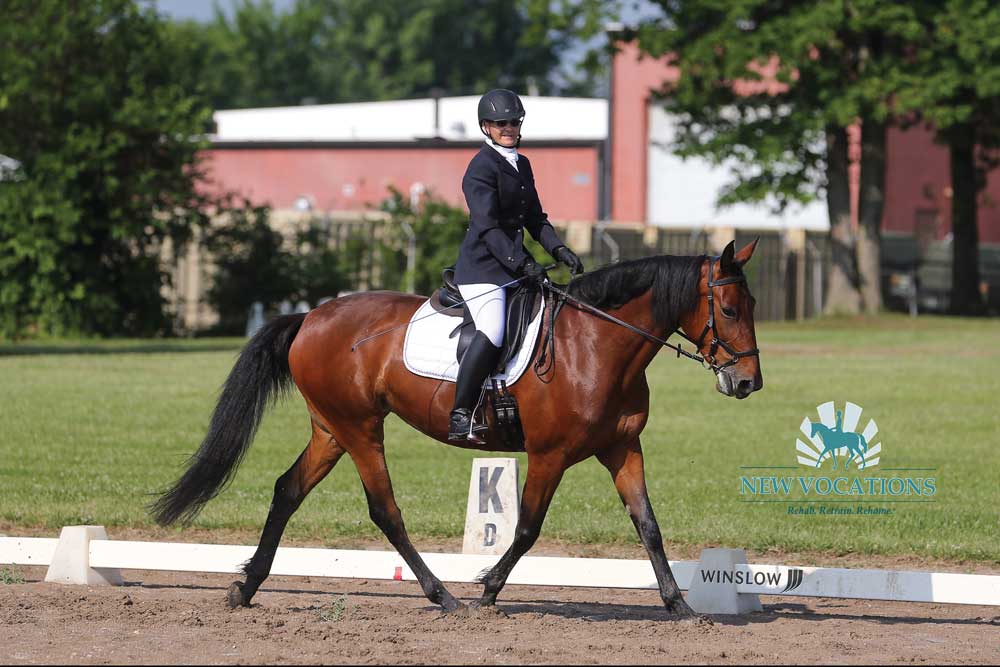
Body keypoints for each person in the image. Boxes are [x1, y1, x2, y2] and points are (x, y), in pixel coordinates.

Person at [448, 88, 584, 443]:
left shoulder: (521, 164)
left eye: (514, 121)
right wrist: (523, 263)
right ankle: (461, 413)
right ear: (486, 127)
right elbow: (488, 227)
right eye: (500, 123)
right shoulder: (480, 168)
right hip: (482, 270)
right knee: (492, 330)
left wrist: (558, 250)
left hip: (512, 267)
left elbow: (535, 219)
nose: (509, 127)